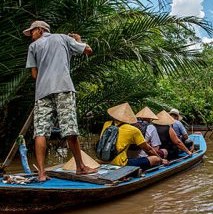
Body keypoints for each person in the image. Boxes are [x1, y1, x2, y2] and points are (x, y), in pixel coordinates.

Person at [24, 20, 97, 181]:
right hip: (63, 87)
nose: (31, 36)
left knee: (40, 131)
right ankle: (81, 167)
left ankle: (42, 173)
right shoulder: (63, 38)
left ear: (40, 30)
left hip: (42, 92)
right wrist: (77, 40)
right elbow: (88, 50)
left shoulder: (33, 47)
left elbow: (35, 75)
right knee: (69, 127)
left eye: (32, 32)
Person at [100, 103, 168, 171]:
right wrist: (161, 160)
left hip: (102, 159)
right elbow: (148, 150)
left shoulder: (107, 124)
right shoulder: (133, 130)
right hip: (120, 163)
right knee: (156, 159)